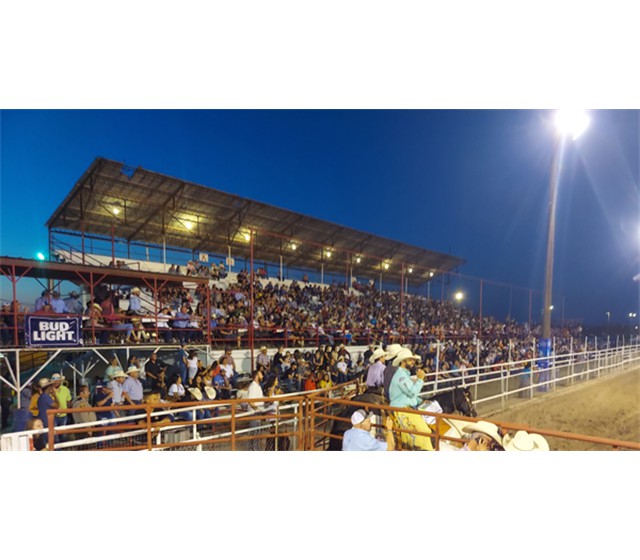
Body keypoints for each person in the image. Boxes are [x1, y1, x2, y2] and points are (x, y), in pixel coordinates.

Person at [247, 369, 265, 450]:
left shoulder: (257, 386)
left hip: (258, 412)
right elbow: (250, 401)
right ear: (256, 376)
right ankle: (254, 449)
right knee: (254, 432)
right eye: (261, 375)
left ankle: (256, 448)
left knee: (257, 432)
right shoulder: (253, 387)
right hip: (254, 413)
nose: (262, 376)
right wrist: (257, 409)